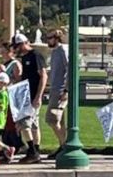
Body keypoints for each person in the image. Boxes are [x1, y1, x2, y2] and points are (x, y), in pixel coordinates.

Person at [12, 33, 47, 164]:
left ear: (24, 44)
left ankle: (32, 151)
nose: (17, 49)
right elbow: (27, 77)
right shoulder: (25, 57)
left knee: (25, 123)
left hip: (33, 96)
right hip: (27, 94)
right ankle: (35, 152)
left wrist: (38, 96)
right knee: (33, 125)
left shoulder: (35, 56)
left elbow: (43, 76)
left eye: (18, 46)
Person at [45, 29, 69, 160]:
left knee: (51, 119)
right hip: (54, 89)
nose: (47, 40)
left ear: (56, 38)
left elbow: (70, 69)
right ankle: (62, 146)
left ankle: (65, 146)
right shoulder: (54, 52)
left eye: (49, 38)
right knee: (60, 122)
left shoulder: (63, 50)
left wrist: (66, 90)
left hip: (60, 91)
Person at [0, 43, 24, 160]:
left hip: (11, 96)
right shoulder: (4, 64)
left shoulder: (15, 64)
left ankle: (16, 144)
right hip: (3, 96)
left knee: (11, 122)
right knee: (4, 122)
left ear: (11, 52)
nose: (2, 53)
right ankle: (6, 147)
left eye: (4, 51)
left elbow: (18, 81)